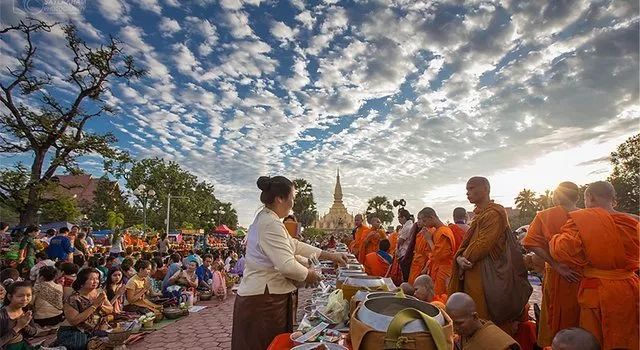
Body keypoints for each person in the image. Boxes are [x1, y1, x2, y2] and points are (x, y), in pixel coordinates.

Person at [231, 176, 348, 350]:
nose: (293, 202)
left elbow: (293, 245)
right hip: (263, 301)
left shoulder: (268, 219)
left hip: (265, 297)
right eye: (292, 197)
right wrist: (311, 275)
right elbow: (286, 265)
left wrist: (329, 255)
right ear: (280, 198)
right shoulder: (269, 222)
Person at [549, 181, 639, 350]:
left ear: (589, 197)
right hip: (629, 288)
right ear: (614, 199)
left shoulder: (582, 222)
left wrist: (554, 240)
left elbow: (561, 251)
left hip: (597, 290)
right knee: (627, 334)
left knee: (593, 339)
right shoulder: (633, 221)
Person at [448, 177, 528, 331]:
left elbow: (482, 245)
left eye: (471, 188)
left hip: (486, 274)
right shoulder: (479, 215)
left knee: (485, 317)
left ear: (485, 189)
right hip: (473, 270)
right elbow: (471, 244)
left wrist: (463, 258)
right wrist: (459, 258)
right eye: (467, 190)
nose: (468, 193)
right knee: (474, 313)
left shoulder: (494, 213)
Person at [522, 182, 581, 347]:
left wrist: (556, 265)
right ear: (578, 197)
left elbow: (530, 243)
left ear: (556, 196)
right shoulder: (588, 216)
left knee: (554, 318)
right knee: (580, 317)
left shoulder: (545, 215)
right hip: (583, 276)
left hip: (558, 274)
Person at [56, 268, 113, 350]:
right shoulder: (73, 298)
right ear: (82, 282)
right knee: (79, 345)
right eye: (92, 279)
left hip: (95, 329)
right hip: (73, 330)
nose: (95, 281)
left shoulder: (99, 292)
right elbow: (74, 321)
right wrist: (94, 306)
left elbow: (110, 309)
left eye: (97, 278)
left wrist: (100, 306)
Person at [445, 292, 520, 350]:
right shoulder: (464, 336)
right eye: (452, 323)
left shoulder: (497, 342)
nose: (454, 328)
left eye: (459, 323)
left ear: (475, 316)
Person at [416, 207, 455, 296]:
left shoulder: (444, 232)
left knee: (440, 296)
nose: (424, 224)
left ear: (432, 217)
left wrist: (429, 240)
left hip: (443, 269)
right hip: (435, 268)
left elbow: (439, 255)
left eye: (425, 221)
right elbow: (432, 253)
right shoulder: (437, 231)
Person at [0, 281, 39, 349]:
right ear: (9, 297)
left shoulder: (26, 310)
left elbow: (33, 333)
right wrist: (18, 327)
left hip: (23, 345)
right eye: (20, 296)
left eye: (28, 295)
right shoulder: (2, 315)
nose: (25, 299)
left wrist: (25, 326)